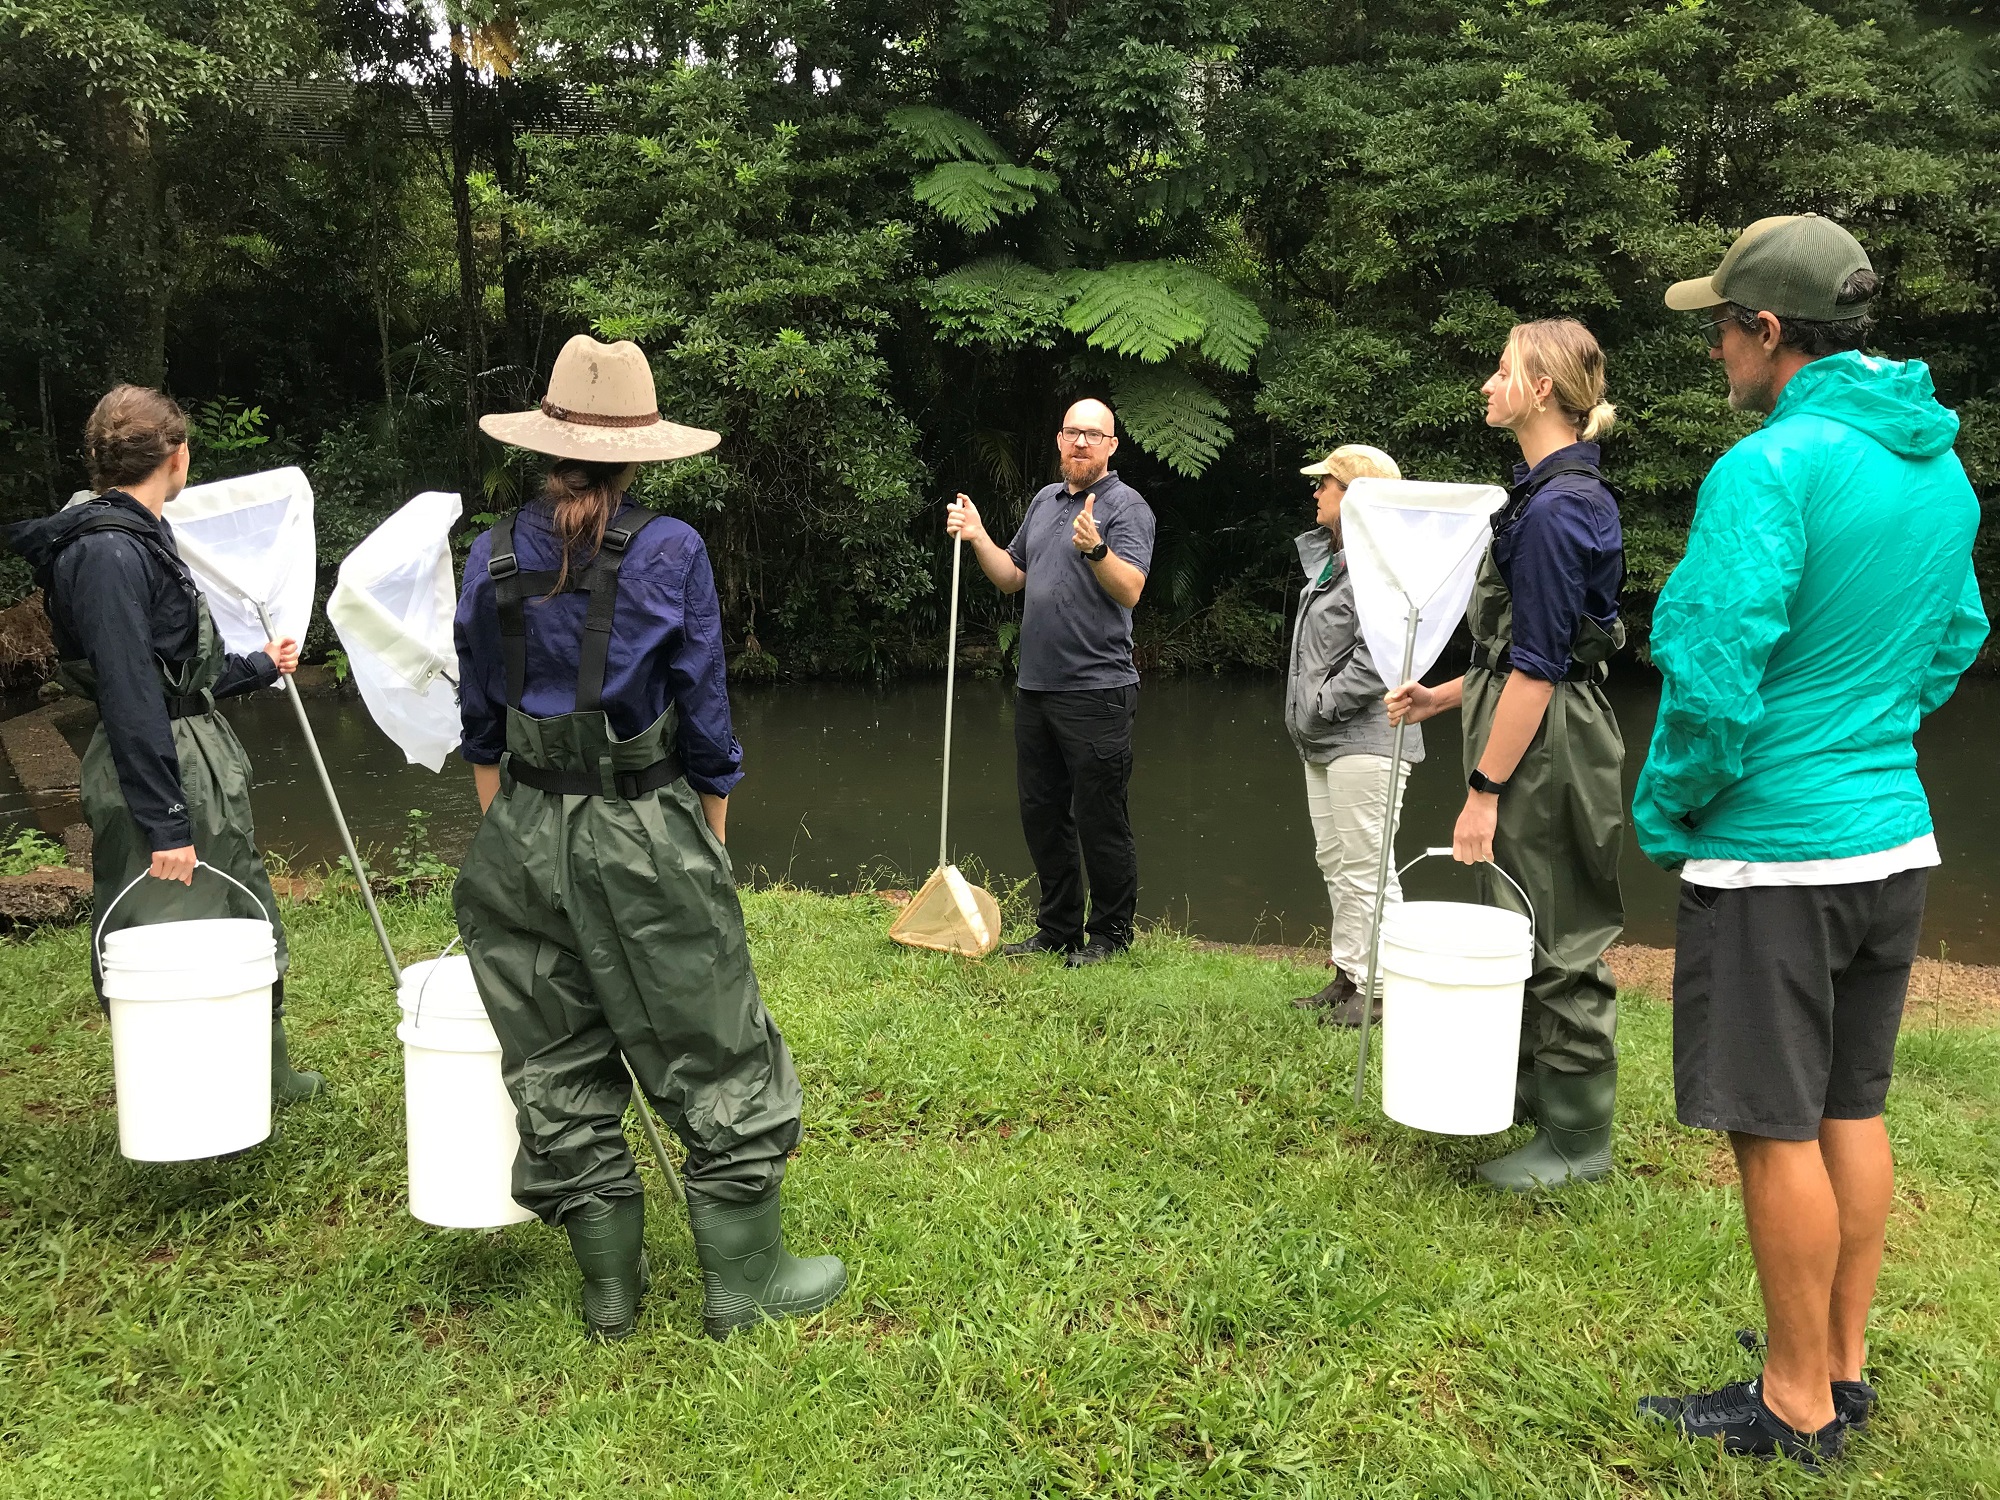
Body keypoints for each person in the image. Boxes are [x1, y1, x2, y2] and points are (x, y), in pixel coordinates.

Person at [1631, 216, 1985, 1466]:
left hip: (1775, 852)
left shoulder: (1770, 469)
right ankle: (1839, 1360)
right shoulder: (1936, 471)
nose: (1715, 352)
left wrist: (1670, 807)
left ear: (1768, 332)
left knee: (1771, 1125)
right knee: (1850, 1105)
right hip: (1893, 841)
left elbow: (1715, 672)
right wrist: (1866, 728)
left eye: (1721, 329)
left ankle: (1791, 1405)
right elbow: (1954, 635)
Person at [453, 334, 845, 1341]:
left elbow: (482, 726)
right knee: (711, 1040)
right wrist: (706, 840)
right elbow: (705, 720)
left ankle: (609, 1297)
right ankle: (741, 1287)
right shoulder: (669, 550)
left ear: (545, 447)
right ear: (639, 455)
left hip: (520, 830)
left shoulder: (489, 552)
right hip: (643, 824)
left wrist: (517, 835)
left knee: (554, 1049)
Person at [3, 386, 319, 1103]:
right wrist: (166, 821)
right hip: (161, 759)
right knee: (163, 925)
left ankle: (263, 1070)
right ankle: (181, 1089)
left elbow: (172, 672)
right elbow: (129, 692)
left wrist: (259, 666)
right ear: (177, 455)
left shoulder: (134, 532)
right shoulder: (109, 551)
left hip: (187, 744)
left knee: (237, 908)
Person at [1386, 319, 1625, 1192]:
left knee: (1558, 925)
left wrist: (1484, 789)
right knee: (1521, 915)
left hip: (1548, 746)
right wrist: (1441, 697)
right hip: (1529, 721)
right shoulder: (1539, 495)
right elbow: (1520, 655)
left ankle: (1576, 1140)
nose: (1488, 385)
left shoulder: (1562, 510)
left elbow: (1541, 669)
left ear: (1542, 391)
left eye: (1501, 372)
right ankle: (1533, 1090)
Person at [947, 399, 1156, 968]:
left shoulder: (1127, 507)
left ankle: (1110, 935)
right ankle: (1058, 929)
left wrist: (1097, 550)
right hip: (1035, 688)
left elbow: (1130, 589)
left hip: (1097, 690)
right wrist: (979, 534)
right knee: (1042, 813)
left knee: (1100, 815)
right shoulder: (1043, 502)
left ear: (1112, 445)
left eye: (1093, 434)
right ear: (1059, 440)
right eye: (1072, 433)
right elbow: (1013, 576)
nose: (1081, 443)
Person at [1283, 444, 1418, 1024]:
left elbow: (1380, 657)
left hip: (1366, 737)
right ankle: (1349, 975)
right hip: (1325, 740)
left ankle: (1382, 989)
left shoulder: (1385, 564)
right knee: (1335, 859)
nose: (1316, 493)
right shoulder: (1339, 561)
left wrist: (1321, 704)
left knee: (1368, 865)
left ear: (1356, 496)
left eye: (1327, 485)